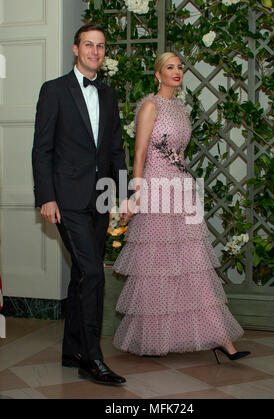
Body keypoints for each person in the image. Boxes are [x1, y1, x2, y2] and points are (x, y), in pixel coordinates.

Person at [113, 52, 251, 364]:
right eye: (170, 67)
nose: (177, 72)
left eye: (180, 67)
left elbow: (178, 155)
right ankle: (153, 338)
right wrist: (136, 194)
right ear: (157, 75)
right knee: (156, 268)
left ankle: (220, 338)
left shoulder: (179, 108)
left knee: (193, 267)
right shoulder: (150, 106)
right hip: (156, 193)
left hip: (180, 191)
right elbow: (140, 153)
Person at [32, 23, 133, 385]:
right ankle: (92, 359)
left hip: (101, 197)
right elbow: (41, 148)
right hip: (66, 199)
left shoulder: (108, 94)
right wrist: (46, 196)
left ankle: (71, 348)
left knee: (81, 274)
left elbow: (115, 150)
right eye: (88, 45)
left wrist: (125, 195)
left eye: (101, 46)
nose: (95, 51)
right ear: (76, 49)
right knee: (92, 273)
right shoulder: (54, 90)